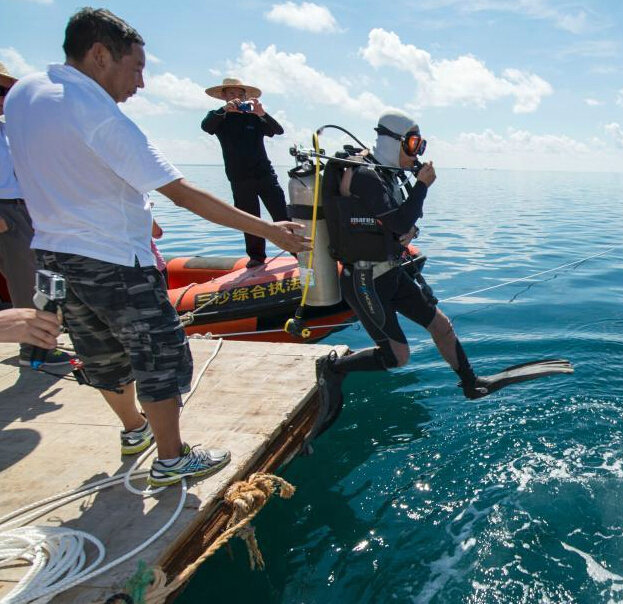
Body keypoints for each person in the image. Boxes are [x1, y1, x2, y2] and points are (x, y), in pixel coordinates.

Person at [5, 7, 310, 487]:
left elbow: (64, 169)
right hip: (115, 262)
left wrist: (136, 212)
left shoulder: (24, 94)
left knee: (98, 351)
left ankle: (133, 430)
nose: (141, 83)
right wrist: (272, 232)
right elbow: (185, 192)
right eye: (137, 68)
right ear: (100, 54)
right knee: (160, 354)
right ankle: (171, 458)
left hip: (52, 255)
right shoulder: (98, 113)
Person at [314, 110, 572, 435]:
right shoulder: (365, 175)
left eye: (420, 144)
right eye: (412, 143)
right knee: (398, 357)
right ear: (391, 140)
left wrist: (409, 230)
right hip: (365, 280)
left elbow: (398, 223)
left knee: (441, 324)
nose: (417, 152)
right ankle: (335, 368)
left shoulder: (386, 175)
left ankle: (471, 383)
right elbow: (399, 222)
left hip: (391, 271)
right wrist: (422, 187)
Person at [0, 61, 72, 368]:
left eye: (5, 91)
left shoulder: (8, 131)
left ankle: (41, 339)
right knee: (26, 279)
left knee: (40, 276)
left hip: (25, 208)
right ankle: (35, 347)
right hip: (6, 211)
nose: (4, 98)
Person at [201, 77, 289, 268]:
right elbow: (206, 126)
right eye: (232, 94)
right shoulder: (219, 117)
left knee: (281, 214)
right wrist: (224, 110)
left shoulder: (254, 117)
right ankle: (257, 257)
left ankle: (297, 251)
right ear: (224, 96)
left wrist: (262, 113)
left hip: (265, 174)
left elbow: (278, 131)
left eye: (240, 94)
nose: (237, 98)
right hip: (239, 178)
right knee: (250, 219)